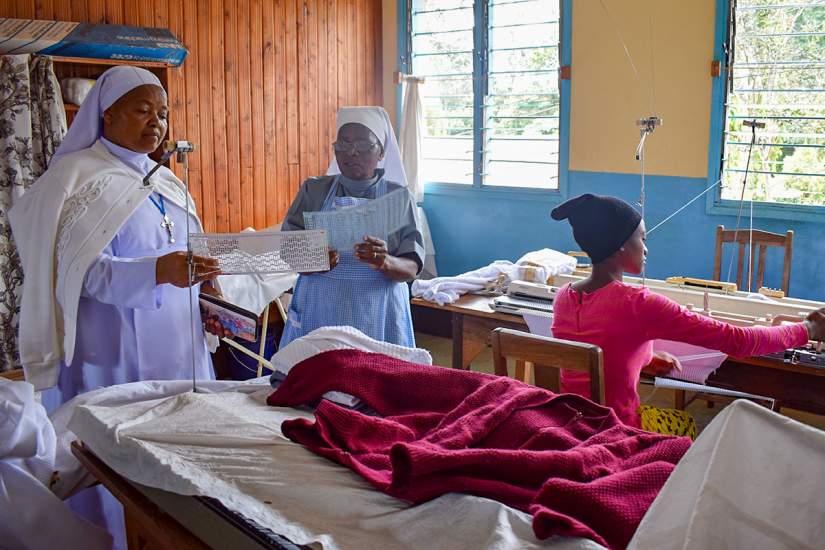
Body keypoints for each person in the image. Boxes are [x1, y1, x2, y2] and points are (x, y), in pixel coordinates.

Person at [9, 66, 220, 411]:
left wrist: (210, 291)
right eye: (143, 110)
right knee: (116, 447)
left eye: (163, 114)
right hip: (113, 347)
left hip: (180, 342)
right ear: (107, 114)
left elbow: (196, 248)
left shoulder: (167, 180)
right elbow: (80, 273)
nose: (156, 122)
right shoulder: (77, 176)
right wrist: (157, 272)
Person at [549, 193, 825, 427]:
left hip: (575, 426)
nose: (645, 249)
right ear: (620, 243)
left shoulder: (564, 297)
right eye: (642, 239)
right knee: (687, 425)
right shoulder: (638, 304)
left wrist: (646, 357)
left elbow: (604, 345)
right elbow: (739, 341)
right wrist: (808, 329)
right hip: (618, 431)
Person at [280, 106, 424, 348]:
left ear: (381, 152)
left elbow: (411, 268)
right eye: (343, 144)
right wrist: (315, 260)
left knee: (376, 380)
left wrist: (385, 261)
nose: (351, 153)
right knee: (318, 379)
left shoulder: (398, 197)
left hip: (377, 314)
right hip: (321, 312)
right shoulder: (313, 191)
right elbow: (288, 252)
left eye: (363, 145)